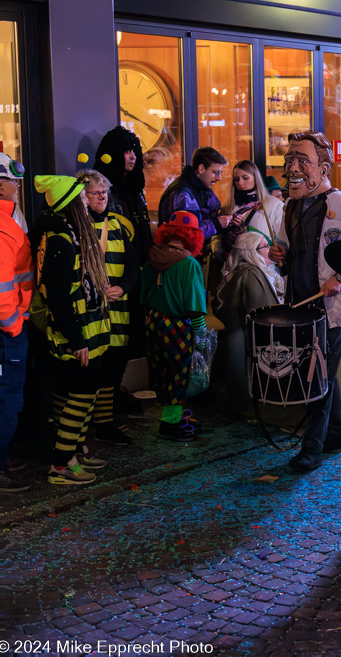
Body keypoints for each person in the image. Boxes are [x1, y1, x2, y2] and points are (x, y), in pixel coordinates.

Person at [268, 132, 341, 472]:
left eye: (302, 161)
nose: (292, 168)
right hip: (302, 305)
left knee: (317, 376)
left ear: (324, 168)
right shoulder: (291, 205)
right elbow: (284, 248)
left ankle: (311, 449)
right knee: (320, 374)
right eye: (289, 161)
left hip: (332, 307)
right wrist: (278, 253)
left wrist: (339, 279)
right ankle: (339, 433)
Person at [33, 175, 114, 485]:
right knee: (79, 395)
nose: (87, 201)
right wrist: (76, 338)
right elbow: (58, 297)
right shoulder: (60, 239)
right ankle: (60, 464)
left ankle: (71, 455)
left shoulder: (70, 234)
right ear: (69, 204)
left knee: (85, 393)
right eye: (81, 198)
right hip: (75, 333)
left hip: (87, 330)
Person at [79, 169, 140, 447]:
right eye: (95, 193)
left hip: (119, 306)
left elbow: (133, 264)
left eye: (104, 192)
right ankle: (88, 426)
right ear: (83, 196)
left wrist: (123, 287)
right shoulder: (76, 225)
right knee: (94, 366)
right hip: (90, 309)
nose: (102, 197)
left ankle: (104, 423)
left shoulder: (116, 224)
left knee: (115, 364)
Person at [141, 211, 207, 442]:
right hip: (178, 326)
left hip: (152, 321)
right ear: (194, 237)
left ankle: (174, 416)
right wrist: (201, 333)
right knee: (180, 374)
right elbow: (194, 303)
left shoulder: (152, 260)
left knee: (162, 371)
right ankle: (170, 423)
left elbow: (143, 295)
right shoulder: (189, 264)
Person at [212, 231, 283, 419]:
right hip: (248, 342)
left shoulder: (241, 271)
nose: (271, 250)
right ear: (252, 252)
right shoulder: (252, 274)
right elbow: (263, 313)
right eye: (265, 246)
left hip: (238, 339)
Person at [0, 153, 33, 492]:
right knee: (7, 400)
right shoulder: (2, 227)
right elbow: (3, 289)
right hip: (6, 331)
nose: (17, 187)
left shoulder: (8, 221)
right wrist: (14, 323)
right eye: (12, 181)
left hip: (10, 327)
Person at [95, 126, 153, 260]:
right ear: (115, 152)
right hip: (115, 266)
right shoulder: (101, 191)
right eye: (127, 151)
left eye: (135, 151)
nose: (133, 157)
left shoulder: (135, 191)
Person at [157, 146, 227, 245]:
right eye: (215, 172)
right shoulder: (181, 194)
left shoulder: (201, 186)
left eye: (220, 173)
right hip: (180, 257)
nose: (219, 178)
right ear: (201, 169)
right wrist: (216, 224)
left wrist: (229, 220)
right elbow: (186, 235)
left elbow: (213, 210)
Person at [223, 160, 285, 250]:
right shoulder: (228, 206)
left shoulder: (274, 205)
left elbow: (282, 240)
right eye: (236, 179)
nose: (240, 183)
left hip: (263, 262)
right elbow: (218, 236)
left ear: (255, 178)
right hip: (234, 261)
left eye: (245, 178)